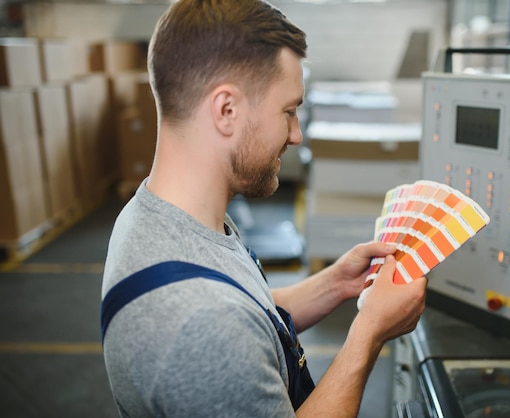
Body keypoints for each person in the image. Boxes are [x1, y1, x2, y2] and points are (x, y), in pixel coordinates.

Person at [100, 0, 428, 416]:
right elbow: (225, 323)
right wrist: (369, 333)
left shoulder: (157, 215)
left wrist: (335, 284)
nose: (296, 135)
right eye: (288, 111)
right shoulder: (203, 329)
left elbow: (247, 309)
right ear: (226, 110)